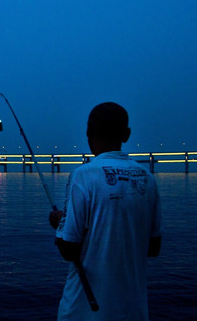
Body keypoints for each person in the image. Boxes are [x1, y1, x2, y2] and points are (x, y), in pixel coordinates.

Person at [49, 102, 162, 321]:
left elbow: (68, 250)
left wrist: (60, 223)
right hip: (134, 312)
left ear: (88, 133)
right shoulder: (147, 178)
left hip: (84, 312)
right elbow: (154, 248)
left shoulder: (83, 175)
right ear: (127, 134)